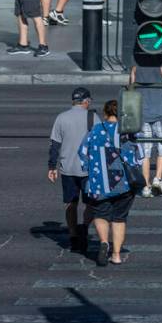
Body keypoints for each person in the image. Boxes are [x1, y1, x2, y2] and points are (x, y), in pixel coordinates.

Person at [78, 99, 141, 266]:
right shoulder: (127, 133)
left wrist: (89, 168)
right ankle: (117, 254)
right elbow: (136, 157)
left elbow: (82, 152)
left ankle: (104, 241)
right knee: (119, 219)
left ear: (105, 114)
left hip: (99, 183)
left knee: (100, 215)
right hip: (124, 183)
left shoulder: (95, 130)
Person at [48, 87, 100, 252]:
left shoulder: (61, 118)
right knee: (90, 203)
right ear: (87, 101)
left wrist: (52, 166)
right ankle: (84, 227)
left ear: (73, 101)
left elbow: (55, 145)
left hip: (67, 168)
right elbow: (100, 144)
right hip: (88, 170)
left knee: (70, 203)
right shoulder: (93, 117)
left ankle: (73, 235)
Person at [129, 63, 162, 197]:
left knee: (145, 151)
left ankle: (146, 186)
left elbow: (131, 90)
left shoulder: (135, 68)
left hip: (142, 113)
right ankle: (157, 178)